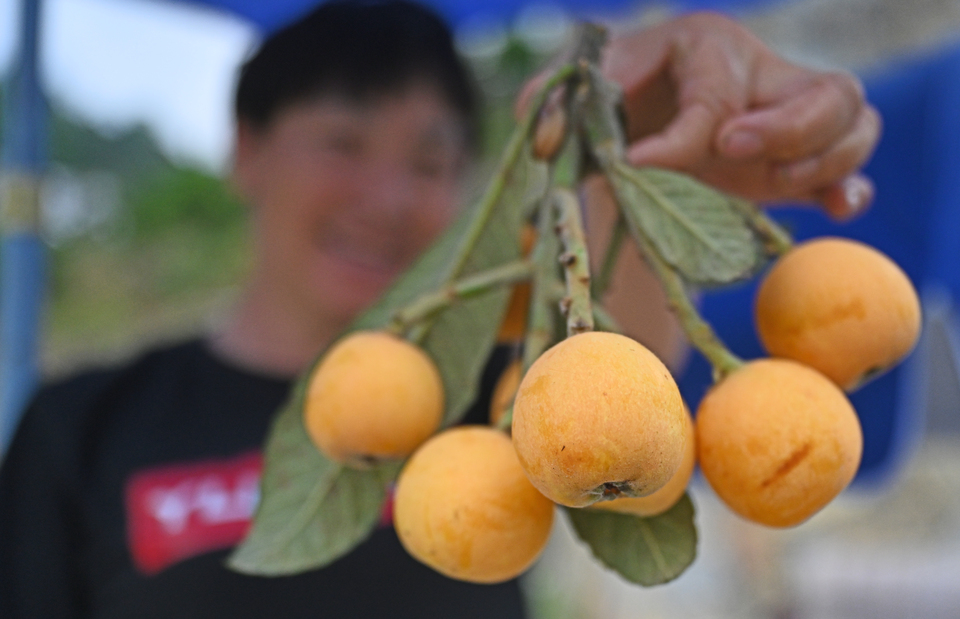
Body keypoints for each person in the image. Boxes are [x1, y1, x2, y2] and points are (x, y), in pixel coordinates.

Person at [0, 1, 880, 618]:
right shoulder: (81, 424)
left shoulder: (510, 397)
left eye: (428, 162)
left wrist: (653, 139)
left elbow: (624, 360)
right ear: (246, 152)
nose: (386, 197)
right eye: (343, 142)